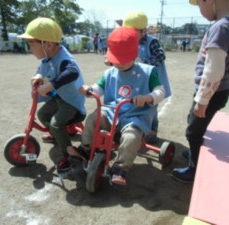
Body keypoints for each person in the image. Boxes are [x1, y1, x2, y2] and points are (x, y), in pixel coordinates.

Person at [67, 26, 165, 186]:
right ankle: (86, 149)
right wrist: (90, 90)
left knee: (131, 138)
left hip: (135, 115)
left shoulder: (148, 72)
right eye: (116, 59)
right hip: (112, 112)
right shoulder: (110, 73)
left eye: (123, 60)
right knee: (94, 118)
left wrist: (148, 97)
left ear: (134, 54)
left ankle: (120, 168)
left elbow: (160, 91)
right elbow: (99, 87)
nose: (118, 64)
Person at [172, 0, 229, 183]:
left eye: (199, 5)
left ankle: (194, 170)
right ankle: (196, 153)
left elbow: (214, 68)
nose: (200, 11)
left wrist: (203, 98)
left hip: (212, 91)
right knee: (193, 122)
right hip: (219, 89)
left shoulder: (221, 27)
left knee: (192, 132)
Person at [17, 17, 86, 173]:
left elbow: (72, 72)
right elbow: (43, 70)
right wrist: (40, 77)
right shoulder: (47, 57)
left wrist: (51, 84)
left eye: (32, 45)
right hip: (60, 98)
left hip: (71, 103)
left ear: (47, 44)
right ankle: (59, 135)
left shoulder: (64, 59)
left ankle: (69, 154)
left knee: (55, 124)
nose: (30, 49)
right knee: (42, 114)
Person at [122, 10, 172, 144]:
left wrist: (144, 63)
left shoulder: (152, 41)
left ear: (143, 31)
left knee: (152, 106)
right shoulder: (130, 42)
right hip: (138, 81)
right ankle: (134, 127)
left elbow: (161, 56)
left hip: (153, 82)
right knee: (136, 103)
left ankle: (152, 130)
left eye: (132, 32)